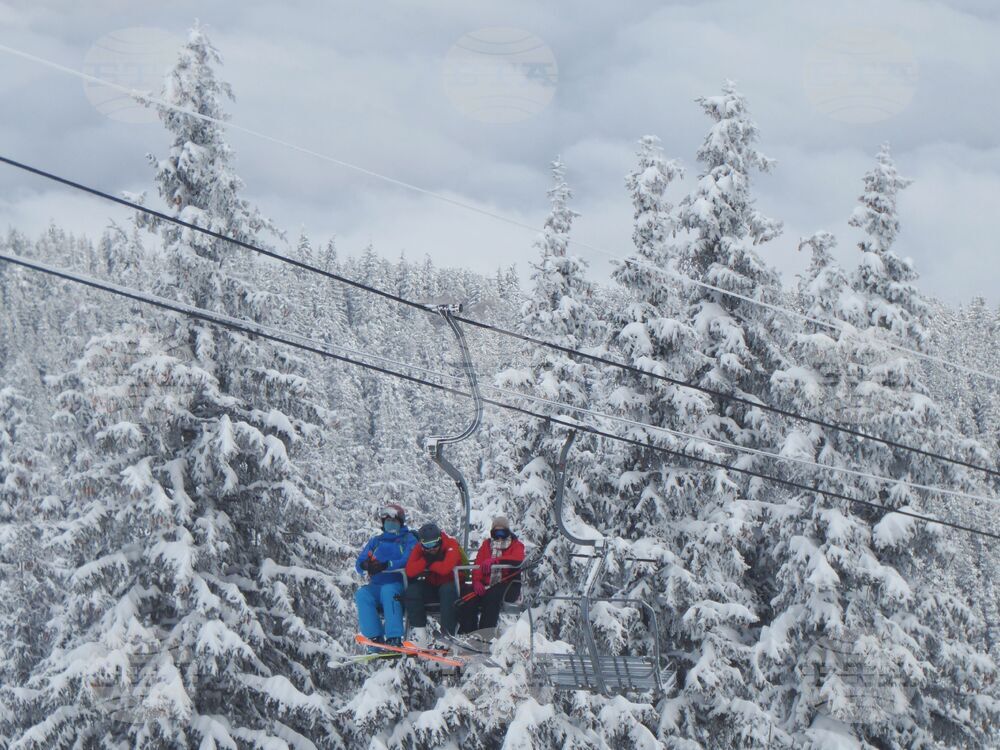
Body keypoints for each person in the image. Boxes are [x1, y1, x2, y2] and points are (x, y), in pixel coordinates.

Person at [354, 504, 417, 650]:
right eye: (387, 521)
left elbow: (408, 560)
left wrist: (387, 565)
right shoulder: (376, 541)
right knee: (362, 594)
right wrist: (366, 565)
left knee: (389, 592)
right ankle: (374, 637)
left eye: (394, 521)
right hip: (376, 585)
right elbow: (359, 563)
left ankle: (394, 637)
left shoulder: (408, 539)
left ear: (400, 522)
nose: (390, 524)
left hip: (398, 583)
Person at [404, 522, 463, 643]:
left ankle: (447, 635)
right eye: (427, 545)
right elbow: (409, 571)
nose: (431, 549)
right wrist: (425, 561)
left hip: (451, 585)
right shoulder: (419, 549)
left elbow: (446, 568)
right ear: (422, 544)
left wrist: (429, 564)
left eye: (434, 544)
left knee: (447, 591)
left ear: (440, 539)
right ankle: (419, 634)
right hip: (432, 585)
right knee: (413, 590)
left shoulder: (450, 544)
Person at [467, 516, 525, 633]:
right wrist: (477, 581)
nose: (499, 535)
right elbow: (478, 564)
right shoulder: (486, 545)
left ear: (507, 532)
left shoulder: (515, 544)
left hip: (508, 585)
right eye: (496, 532)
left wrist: (497, 560)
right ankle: (468, 632)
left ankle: (484, 635)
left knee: (491, 596)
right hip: (487, 584)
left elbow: (517, 558)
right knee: (467, 595)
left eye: (502, 532)